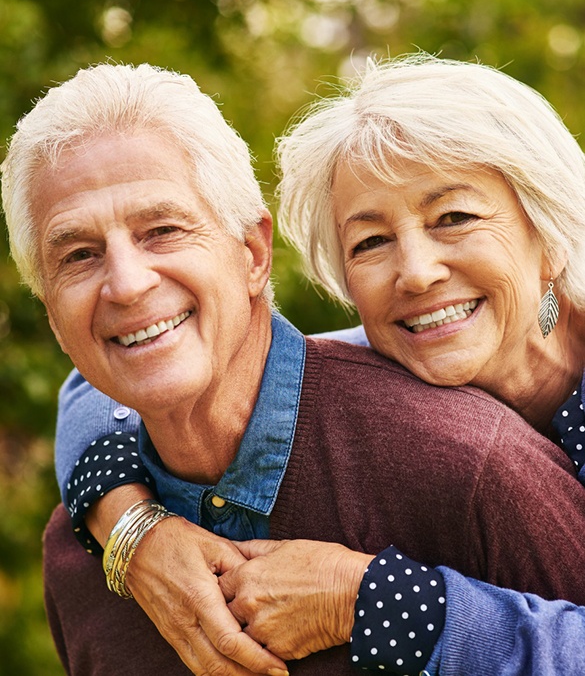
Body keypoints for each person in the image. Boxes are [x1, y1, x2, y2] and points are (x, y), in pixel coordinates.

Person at [5, 59, 585, 676]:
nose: (415, 272)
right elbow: (116, 380)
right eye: (370, 241)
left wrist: (374, 601)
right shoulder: (383, 355)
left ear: (548, 229)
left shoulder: (479, 465)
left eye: (455, 218)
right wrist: (131, 526)